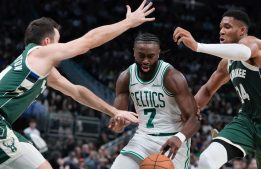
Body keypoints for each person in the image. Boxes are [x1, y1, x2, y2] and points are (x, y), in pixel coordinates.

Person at [0, 1, 155, 169]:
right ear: (46, 42)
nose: (60, 46)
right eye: (58, 41)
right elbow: (87, 42)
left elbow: (76, 92)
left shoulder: (39, 68)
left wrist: (114, 111)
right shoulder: (39, 54)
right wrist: (128, 23)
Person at [172, 9, 261, 169]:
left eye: (227, 27)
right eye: (220, 27)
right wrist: (184, 114)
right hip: (246, 120)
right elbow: (208, 90)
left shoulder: (256, 45)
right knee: (206, 161)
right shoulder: (227, 63)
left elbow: (243, 52)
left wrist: (197, 46)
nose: (221, 31)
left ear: (242, 31)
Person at [108, 33, 200, 169]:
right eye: (141, 55)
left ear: (158, 54)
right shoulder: (126, 77)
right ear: (134, 53)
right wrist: (118, 126)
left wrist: (179, 138)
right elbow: (119, 119)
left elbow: (195, 119)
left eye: (150, 56)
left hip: (171, 141)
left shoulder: (172, 77)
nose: (145, 60)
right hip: (142, 139)